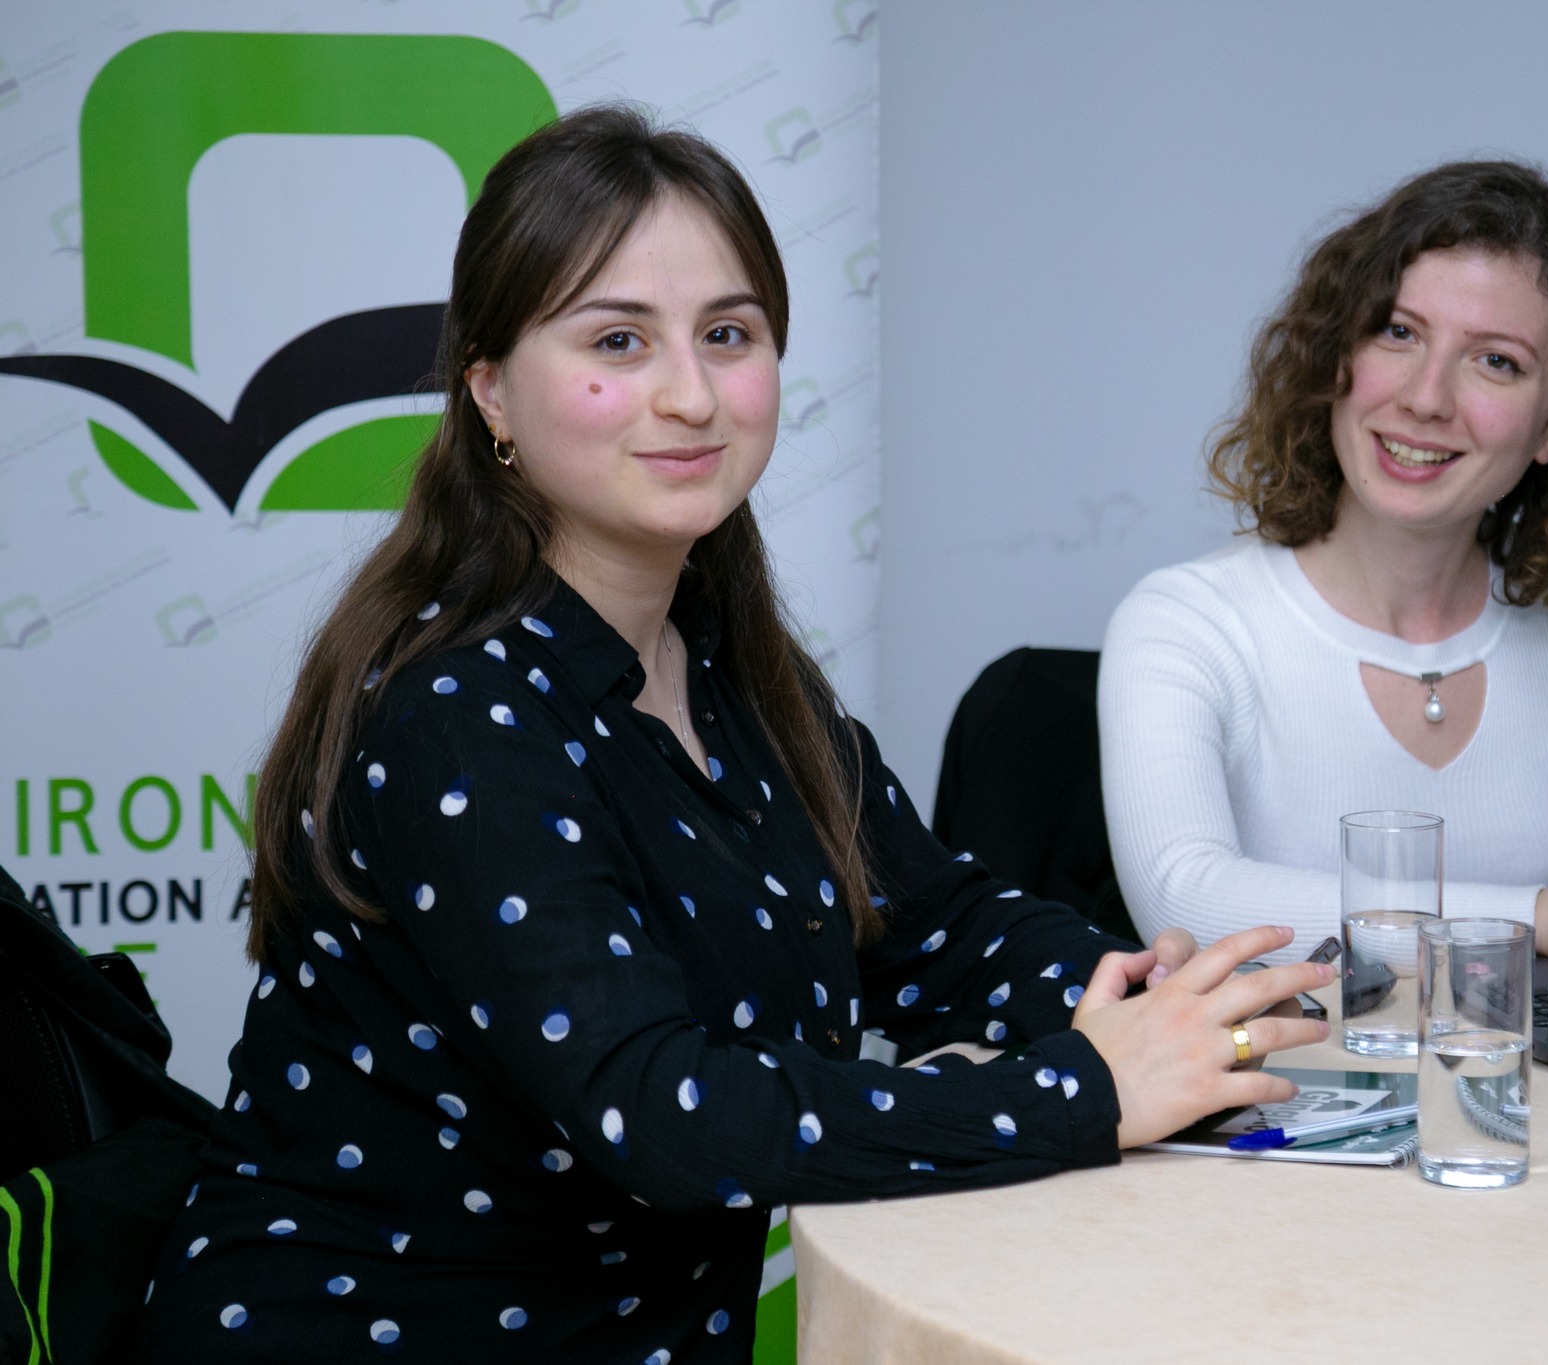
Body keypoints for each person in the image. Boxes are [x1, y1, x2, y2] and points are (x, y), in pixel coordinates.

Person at [134, 106, 1328, 1362]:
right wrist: (1086, 1089)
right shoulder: (456, 709)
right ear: (489, 390)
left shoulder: (728, 662)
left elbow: (933, 927)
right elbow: (659, 1114)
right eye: (617, 340)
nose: (690, 395)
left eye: (727, 334)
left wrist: (1161, 1001)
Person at [1100, 161, 1548, 961]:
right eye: (1398, 332)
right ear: (1335, 356)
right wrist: (1538, 918)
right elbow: (1187, 900)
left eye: (1497, 361)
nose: (1426, 397)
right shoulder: (1188, 624)